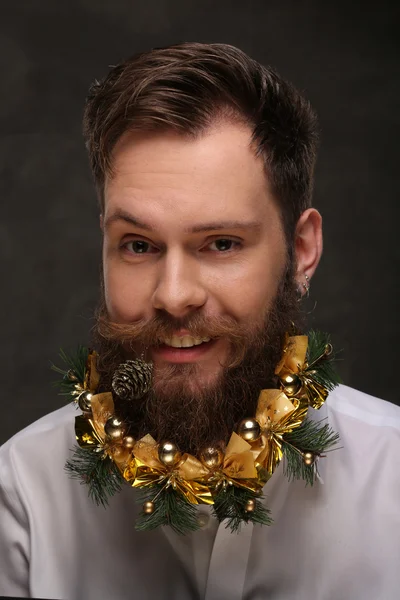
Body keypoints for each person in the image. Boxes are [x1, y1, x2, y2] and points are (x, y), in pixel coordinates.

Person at [0, 42, 399, 600]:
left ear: (302, 249)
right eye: (138, 245)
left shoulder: (394, 478)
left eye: (221, 243)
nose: (174, 296)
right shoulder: (21, 492)